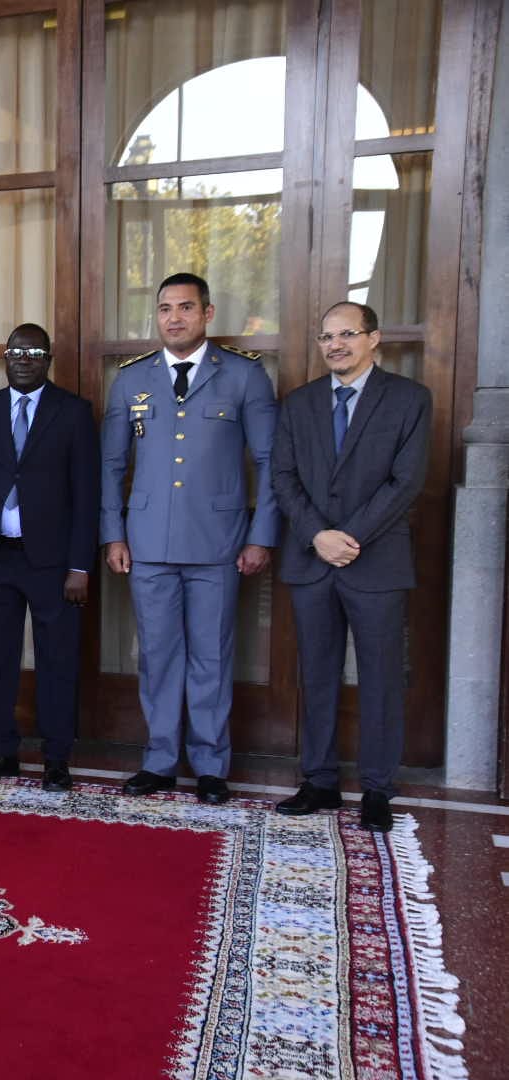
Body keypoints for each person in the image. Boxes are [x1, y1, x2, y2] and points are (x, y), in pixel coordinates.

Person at [101, 272, 279, 804]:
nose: (174, 318)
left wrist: (261, 536)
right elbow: (112, 466)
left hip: (218, 543)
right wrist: (113, 534)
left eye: (185, 307)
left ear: (207, 313)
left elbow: (270, 462)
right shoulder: (131, 379)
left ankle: (209, 765)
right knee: (157, 656)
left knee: (211, 657)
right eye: (165, 309)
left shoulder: (244, 376)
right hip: (148, 543)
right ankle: (158, 760)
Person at [270, 302, 431, 832]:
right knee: (316, 674)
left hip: (376, 562)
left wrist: (350, 537)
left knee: (380, 677)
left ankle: (378, 788)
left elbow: (406, 481)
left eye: (347, 334)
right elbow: (283, 477)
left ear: (373, 338)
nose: (335, 345)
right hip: (312, 559)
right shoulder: (298, 403)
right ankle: (319, 780)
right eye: (327, 337)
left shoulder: (409, 399)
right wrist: (318, 535)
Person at [0, 324, 99, 791]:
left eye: (35, 352)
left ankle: (56, 757)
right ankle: (0, 751)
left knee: (57, 660)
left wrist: (80, 565)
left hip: (54, 564)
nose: (24, 358)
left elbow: (86, 493)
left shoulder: (73, 412)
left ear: (48, 360)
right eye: (16, 351)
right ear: (5, 357)